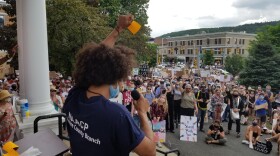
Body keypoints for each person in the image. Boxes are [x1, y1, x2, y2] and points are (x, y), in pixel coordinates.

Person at [63, 15, 156, 156]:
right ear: (115, 78)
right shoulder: (117, 114)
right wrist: (142, 113)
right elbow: (150, 152)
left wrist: (118, 29)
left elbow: (95, 60)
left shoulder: (74, 95)